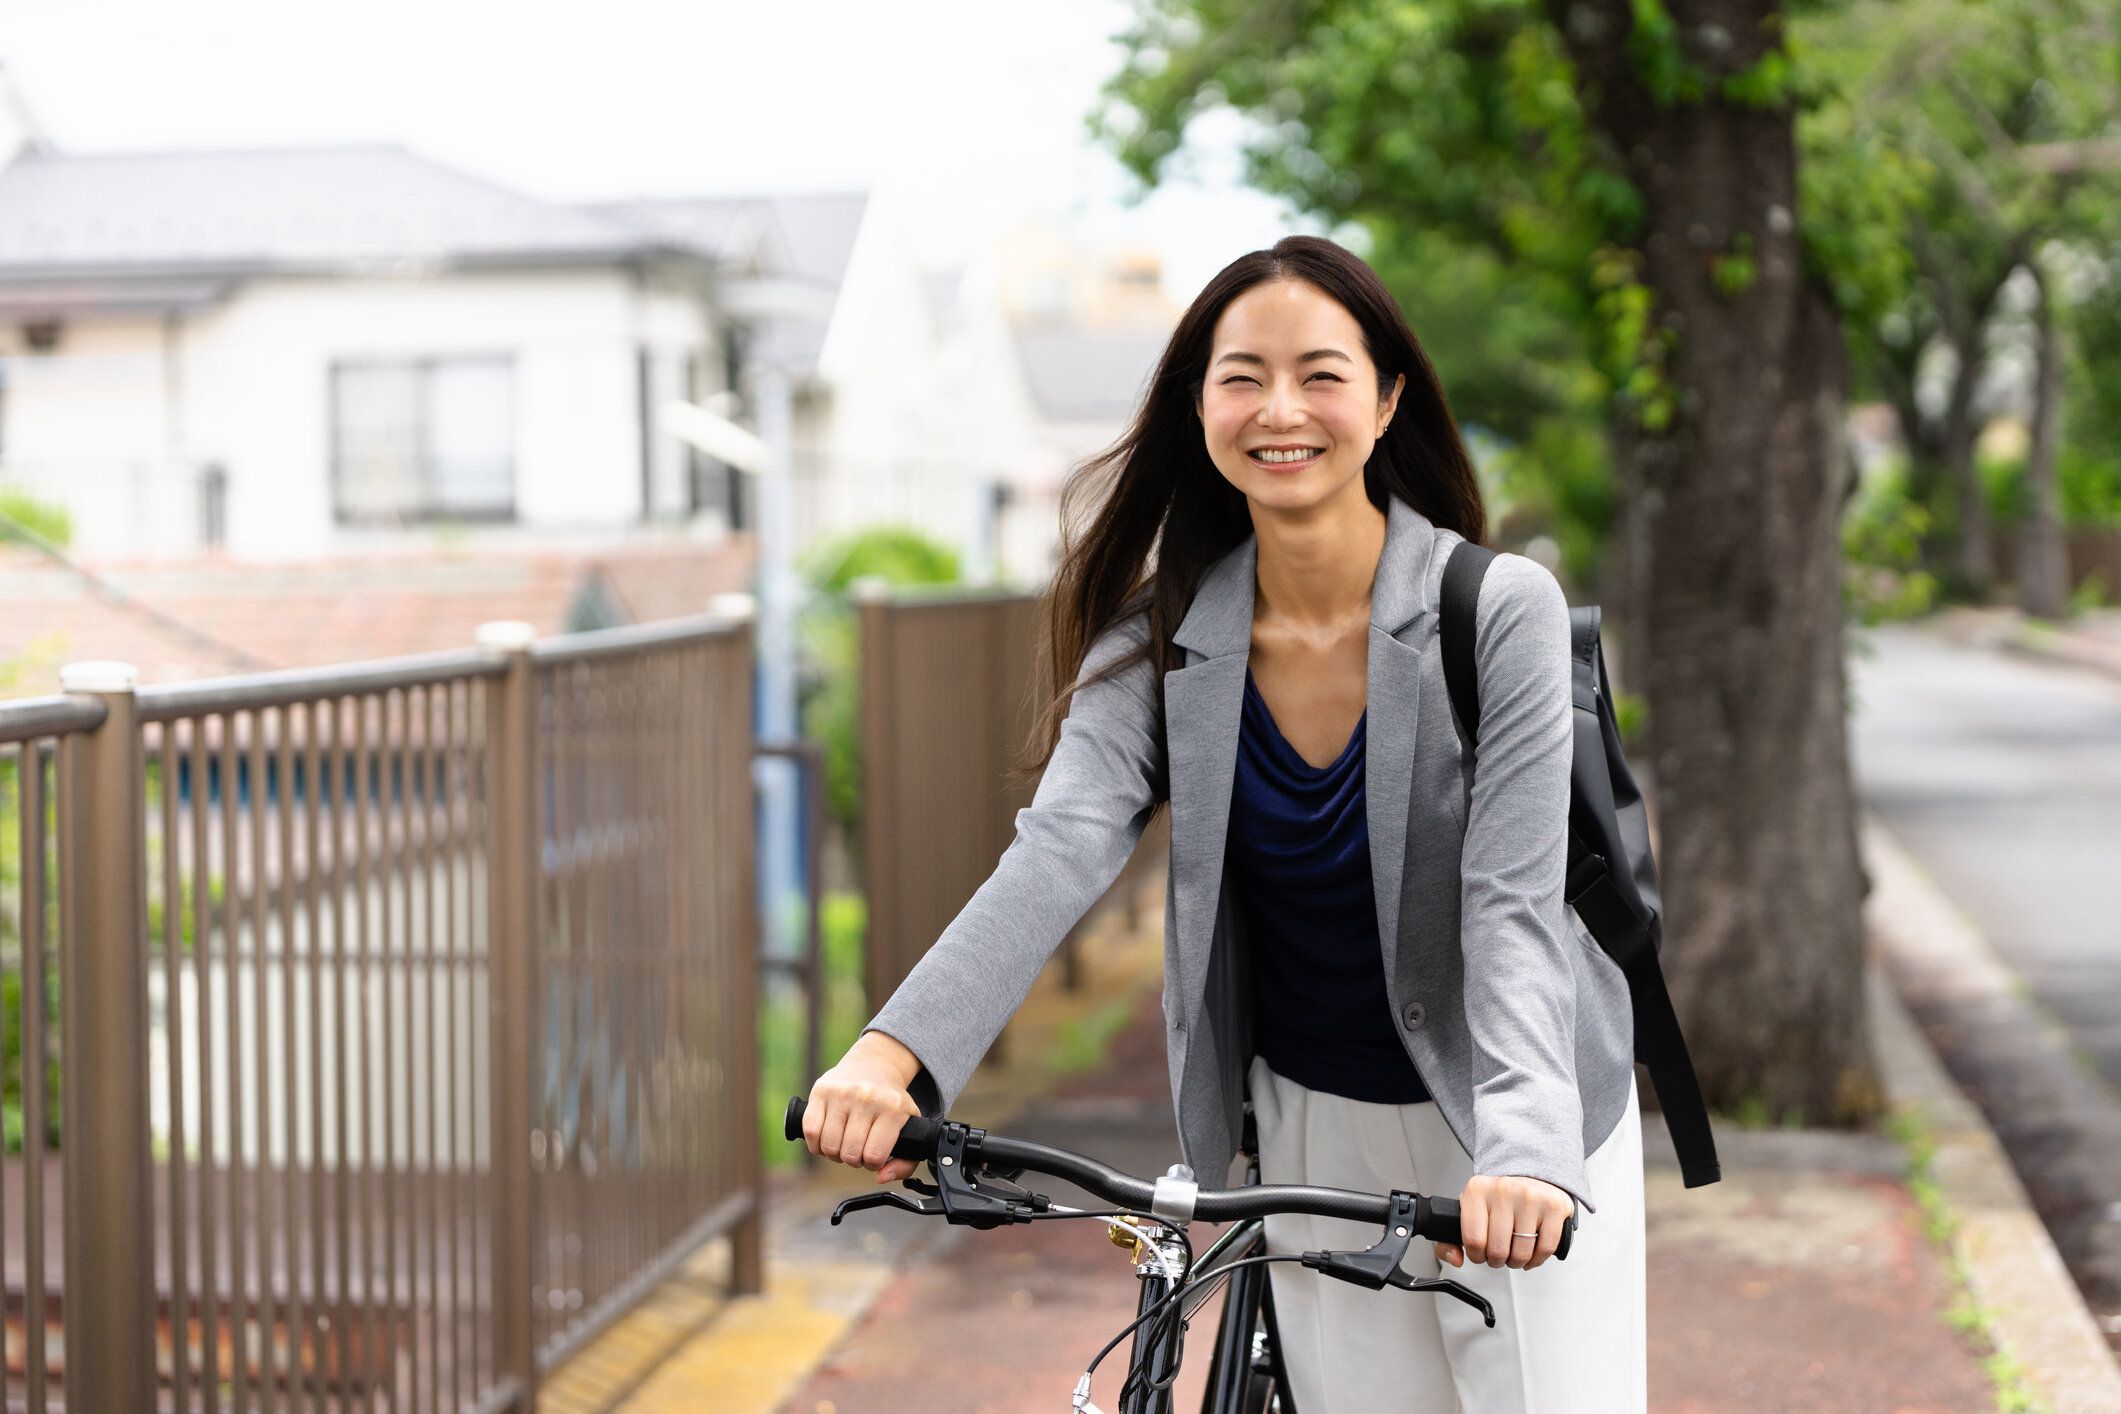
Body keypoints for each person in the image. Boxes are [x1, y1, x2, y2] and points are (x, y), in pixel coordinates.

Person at [800, 234, 1647, 1412]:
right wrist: (893, 1057)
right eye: (1241, 375)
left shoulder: (1496, 611)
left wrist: (1523, 1153)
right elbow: (1058, 850)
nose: (1279, 408)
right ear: (1200, 403)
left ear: (1389, 396)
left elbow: (1511, 908)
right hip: (1310, 1122)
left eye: (1321, 373)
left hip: (1512, 1112)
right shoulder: (1159, 645)